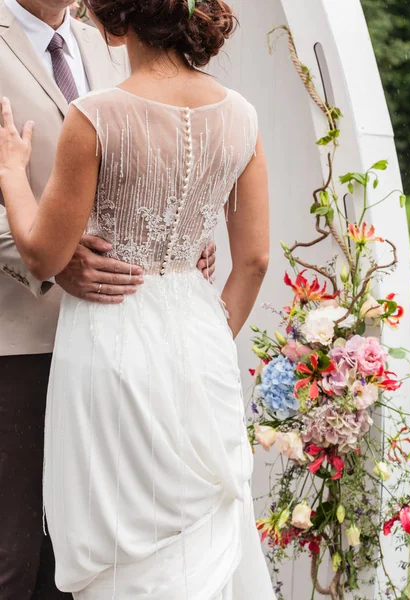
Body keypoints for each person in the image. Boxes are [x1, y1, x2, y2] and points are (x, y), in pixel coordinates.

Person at [0, 0, 273, 598]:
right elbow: (253, 260)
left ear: (114, 21)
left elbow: (45, 256)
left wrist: (13, 175)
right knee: (198, 530)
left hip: (111, 339)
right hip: (200, 344)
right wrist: (201, 332)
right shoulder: (242, 115)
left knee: (120, 529)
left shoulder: (94, 114)